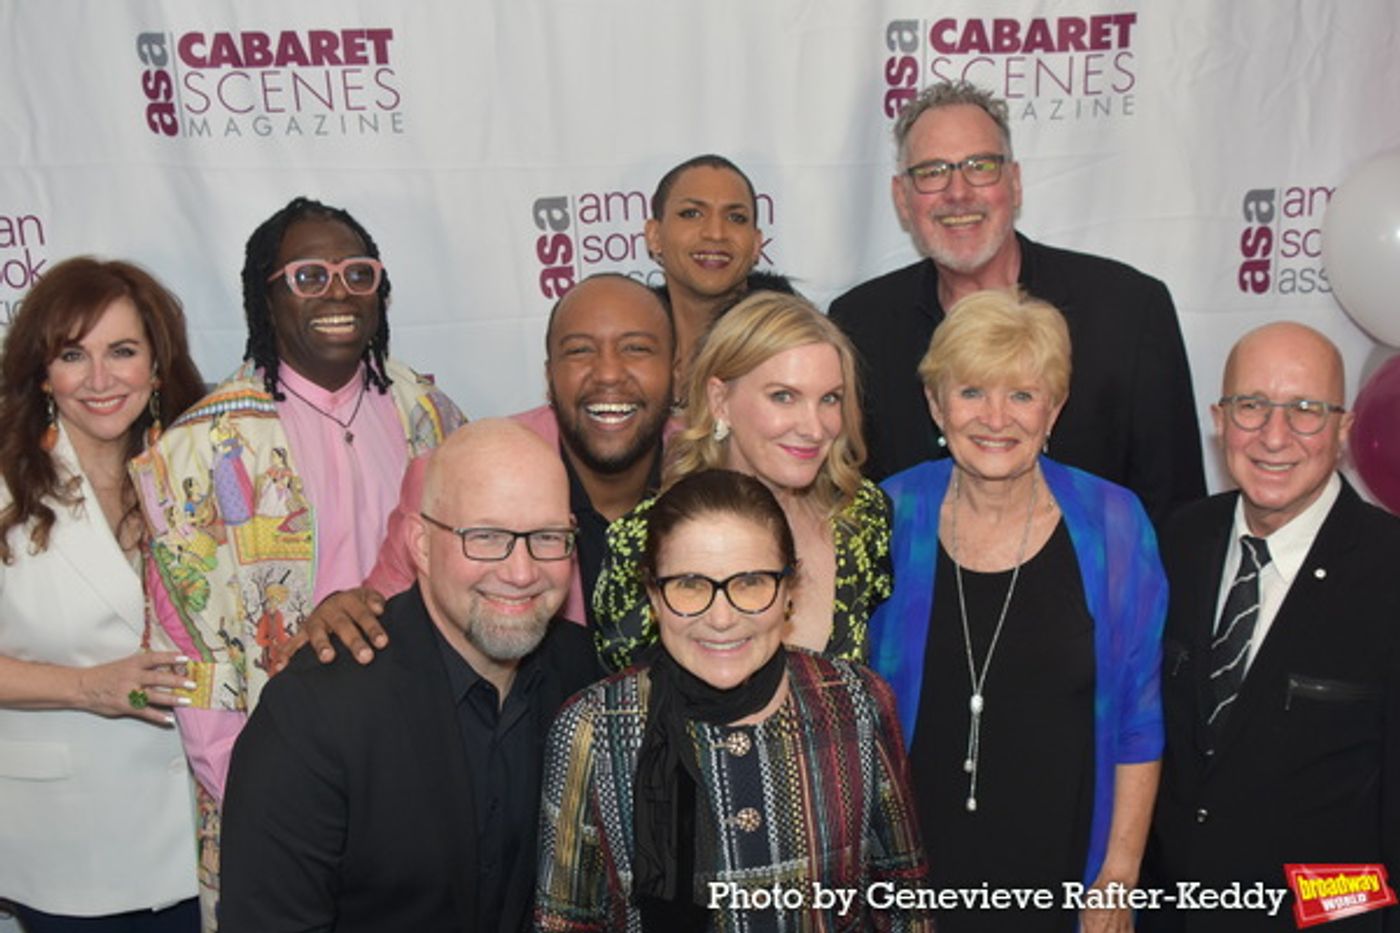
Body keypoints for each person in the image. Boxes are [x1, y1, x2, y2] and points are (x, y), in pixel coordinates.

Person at [129, 196, 465, 927]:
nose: (338, 291)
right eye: (308, 275)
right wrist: (258, 797)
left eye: (357, 272)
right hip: (273, 776)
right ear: (266, 294)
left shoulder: (434, 418)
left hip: (425, 764)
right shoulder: (194, 451)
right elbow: (192, 655)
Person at [218, 420, 598, 933]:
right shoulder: (314, 713)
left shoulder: (589, 683)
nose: (522, 571)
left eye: (548, 537)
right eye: (486, 537)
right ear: (420, 545)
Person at [870, 289, 1166, 932]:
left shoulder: (1115, 523)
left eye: (1023, 395)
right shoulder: (887, 516)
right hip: (913, 882)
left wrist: (1118, 879)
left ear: (1054, 409)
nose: (995, 418)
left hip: (1061, 875)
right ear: (935, 404)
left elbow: (1140, 720)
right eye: (972, 391)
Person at [536, 469, 929, 931]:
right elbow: (564, 922)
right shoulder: (592, 728)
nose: (721, 618)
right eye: (689, 584)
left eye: (750, 583)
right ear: (653, 595)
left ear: (788, 590)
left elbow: (904, 903)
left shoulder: (857, 704)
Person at [828, 80, 1204, 527]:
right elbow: (844, 505)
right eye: (932, 172)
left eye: (980, 166)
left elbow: (1177, 514)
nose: (958, 192)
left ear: (1016, 182)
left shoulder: (1128, 310)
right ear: (902, 200)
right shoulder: (858, 324)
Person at [1143, 323, 1400, 933]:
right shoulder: (1174, 541)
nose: (1274, 436)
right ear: (1219, 417)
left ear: (1343, 428)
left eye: (1306, 410)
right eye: (1251, 406)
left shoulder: (1390, 570)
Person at [295, 272, 675, 665]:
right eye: (580, 351)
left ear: (677, 370)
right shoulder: (454, 477)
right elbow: (380, 617)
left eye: (636, 349)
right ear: (549, 376)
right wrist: (347, 612)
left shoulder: (718, 470)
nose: (609, 373)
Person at [0, 258, 206, 931]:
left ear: (156, 364)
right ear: (42, 372)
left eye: (122, 351)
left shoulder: (204, 470)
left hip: (208, 832)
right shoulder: (6, 487)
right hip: (71, 846)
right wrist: (86, 686)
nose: (99, 378)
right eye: (72, 354)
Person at [593, 291, 892, 671]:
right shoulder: (642, 542)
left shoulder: (861, 515)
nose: (815, 428)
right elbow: (629, 704)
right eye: (784, 396)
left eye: (830, 399)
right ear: (720, 401)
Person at [645, 154, 789, 375]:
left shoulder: (794, 354)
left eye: (735, 218)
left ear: (756, 244)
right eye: (691, 214)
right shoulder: (628, 360)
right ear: (654, 236)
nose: (715, 233)